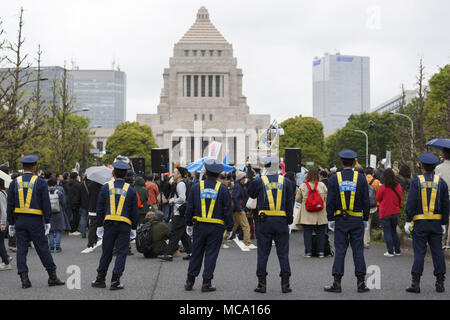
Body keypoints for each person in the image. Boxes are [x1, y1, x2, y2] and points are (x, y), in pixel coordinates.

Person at [6, 155, 65, 288]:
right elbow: (46, 204)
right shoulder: (40, 182)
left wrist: (11, 223)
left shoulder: (14, 182)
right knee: (43, 248)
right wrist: (47, 220)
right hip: (36, 221)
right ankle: (52, 277)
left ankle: (24, 279)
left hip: (20, 220)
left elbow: (10, 205)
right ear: (35, 167)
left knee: (21, 249)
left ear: (22, 167)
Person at [324, 149, 370, 293]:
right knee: (358, 251)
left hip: (340, 220)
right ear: (354, 162)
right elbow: (366, 201)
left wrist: (330, 219)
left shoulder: (334, 178)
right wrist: (365, 218)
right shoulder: (361, 178)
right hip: (357, 219)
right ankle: (361, 283)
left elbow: (330, 201)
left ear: (341, 162)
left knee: (340, 251)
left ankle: (337, 283)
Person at [184, 159, 234, 292]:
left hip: (199, 226)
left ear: (205, 172)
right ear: (219, 175)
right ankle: (206, 283)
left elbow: (190, 207)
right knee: (211, 255)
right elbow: (227, 211)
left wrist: (188, 223)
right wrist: (230, 228)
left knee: (196, 253)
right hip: (216, 228)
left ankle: (190, 281)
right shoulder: (222, 189)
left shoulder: (196, 187)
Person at [248, 155, 294, 294]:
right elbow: (289, 203)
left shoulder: (259, 181)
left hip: (264, 222)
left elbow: (251, 193)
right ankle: (285, 285)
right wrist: (289, 220)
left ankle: (262, 284)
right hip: (281, 221)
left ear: (266, 166)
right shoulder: (286, 182)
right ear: (278, 166)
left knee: (263, 253)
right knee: (283, 253)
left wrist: (257, 176)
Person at [404, 152, 449, 293]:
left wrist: (407, 220)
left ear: (421, 166)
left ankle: (415, 283)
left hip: (420, 224)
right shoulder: (441, 183)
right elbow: (446, 205)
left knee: (419, 253)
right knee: (438, 252)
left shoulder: (416, 182)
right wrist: (444, 222)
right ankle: (440, 283)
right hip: (436, 224)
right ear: (435, 167)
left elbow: (410, 203)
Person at [92, 161, 139, 290]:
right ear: (125, 175)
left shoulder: (105, 187)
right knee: (121, 253)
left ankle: (100, 279)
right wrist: (134, 227)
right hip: (125, 225)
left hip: (108, 224)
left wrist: (99, 225)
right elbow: (134, 211)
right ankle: (115, 281)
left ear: (113, 173)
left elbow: (100, 208)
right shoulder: (131, 189)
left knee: (106, 252)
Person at [158, 167, 192, 261]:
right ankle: (191, 252)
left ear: (179, 174)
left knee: (175, 234)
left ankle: (169, 254)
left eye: (175, 172)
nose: (173, 174)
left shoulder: (180, 184)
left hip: (179, 213)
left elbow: (182, 198)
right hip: (180, 213)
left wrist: (173, 201)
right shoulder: (178, 183)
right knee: (183, 235)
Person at [295, 169, 328, 258]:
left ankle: (308, 252)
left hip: (307, 212)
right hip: (320, 211)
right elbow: (326, 197)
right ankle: (321, 252)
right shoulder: (322, 185)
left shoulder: (303, 186)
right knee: (321, 232)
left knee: (307, 233)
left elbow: (297, 199)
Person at [376, 168, 402, 257]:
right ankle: (397, 250)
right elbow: (400, 198)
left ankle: (390, 251)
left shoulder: (383, 187)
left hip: (385, 212)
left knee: (387, 232)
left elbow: (378, 198)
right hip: (395, 211)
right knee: (394, 231)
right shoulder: (398, 186)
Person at [231, 170, 256, 250]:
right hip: (239, 210)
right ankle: (247, 243)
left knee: (233, 227)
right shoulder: (239, 186)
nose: (245, 179)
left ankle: (221, 240)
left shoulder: (239, 185)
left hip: (237, 209)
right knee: (246, 226)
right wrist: (241, 208)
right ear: (240, 178)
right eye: (244, 177)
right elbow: (235, 197)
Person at [47, 177, 69, 253]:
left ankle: (51, 247)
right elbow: (64, 203)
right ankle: (58, 246)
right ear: (55, 185)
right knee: (58, 230)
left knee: (50, 230)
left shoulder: (45, 193)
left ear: (48, 185)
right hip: (58, 213)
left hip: (49, 213)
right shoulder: (59, 193)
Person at [435, 147, 450, 249]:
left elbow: (436, 183)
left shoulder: (438, 168)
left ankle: (442, 240)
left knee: (442, 218)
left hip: (442, 196)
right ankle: (449, 242)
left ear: (443, 156)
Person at [364, 167, 381, 249]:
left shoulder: (361, 180)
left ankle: (360, 240)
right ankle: (366, 242)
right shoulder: (377, 182)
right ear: (373, 174)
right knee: (368, 223)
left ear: (365, 173)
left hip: (362, 205)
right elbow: (379, 194)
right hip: (372, 205)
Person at [0, 175, 13, 271]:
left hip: (1, 223)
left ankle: (6, 261)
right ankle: (6, 258)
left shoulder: (0, 194)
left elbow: (3, 210)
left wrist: (2, 224)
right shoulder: (3, 193)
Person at [79, 174, 90, 239]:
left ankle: (83, 233)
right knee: (92, 219)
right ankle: (92, 234)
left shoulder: (81, 185)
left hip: (83, 204)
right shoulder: (93, 185)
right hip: (91, 204)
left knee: (83, 218)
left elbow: (79, 195)